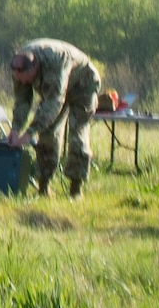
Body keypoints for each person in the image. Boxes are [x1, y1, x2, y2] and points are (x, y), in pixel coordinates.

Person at [5, 39, 99, 197]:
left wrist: (29, 134)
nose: (22, 82)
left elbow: (54, 103)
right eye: (18, 78)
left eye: (24, 79)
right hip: (56, 91)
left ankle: (76, 189)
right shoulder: (19, 65)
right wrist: (15, 129)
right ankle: (44, 187)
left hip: (83, 86)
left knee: (78, 135)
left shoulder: (55, 61)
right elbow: (22, 101)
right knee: (48, 134)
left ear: (35, 68)